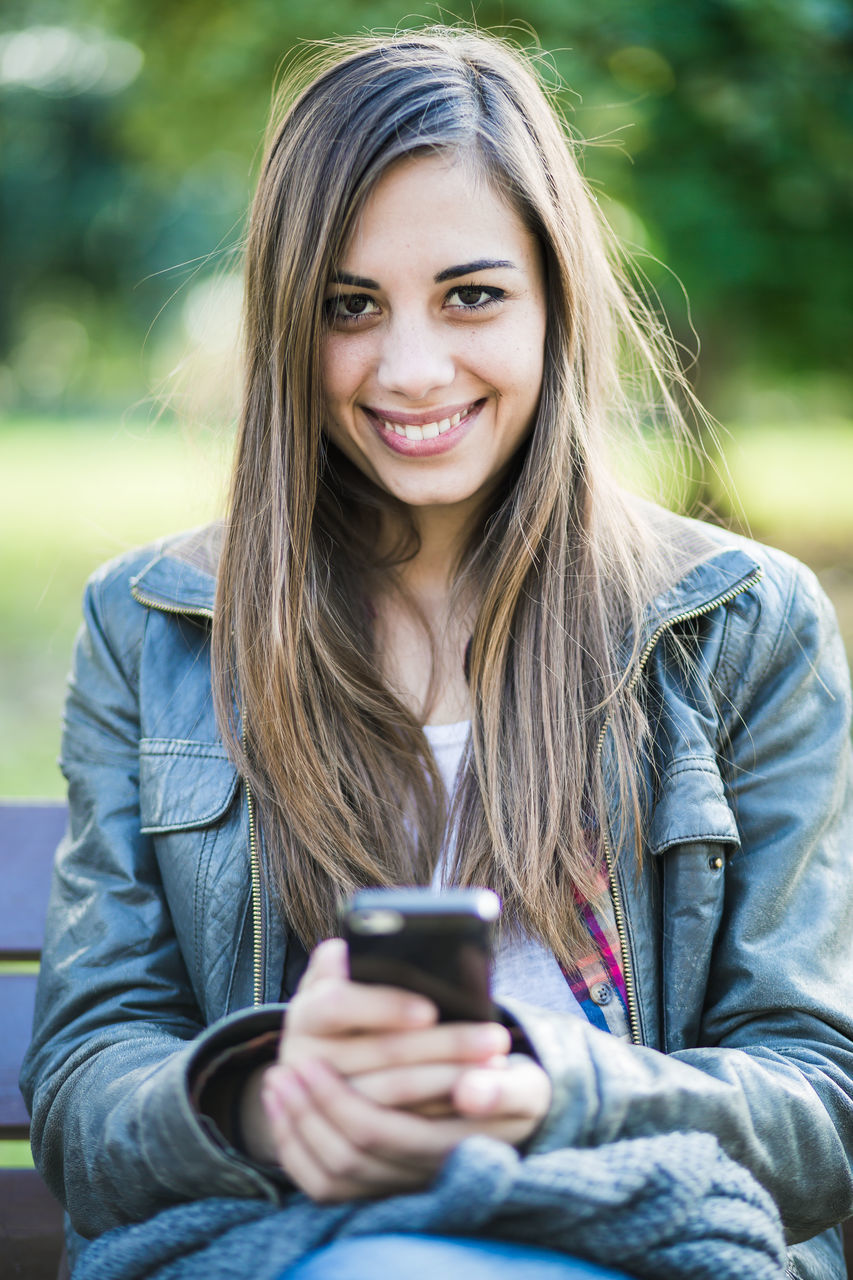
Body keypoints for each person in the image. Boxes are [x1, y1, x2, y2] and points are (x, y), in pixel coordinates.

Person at [21, 27, 853, 1280]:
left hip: (636, 1234)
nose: (411, 370)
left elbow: (817, 1100)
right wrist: (260, 1097)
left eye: (471, 294)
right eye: (350, 307)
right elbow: (89, 1083)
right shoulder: (152, 625)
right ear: (288, 326)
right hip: (282, 1236)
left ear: (553, 299)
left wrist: (548, 1087)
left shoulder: (742, 625)